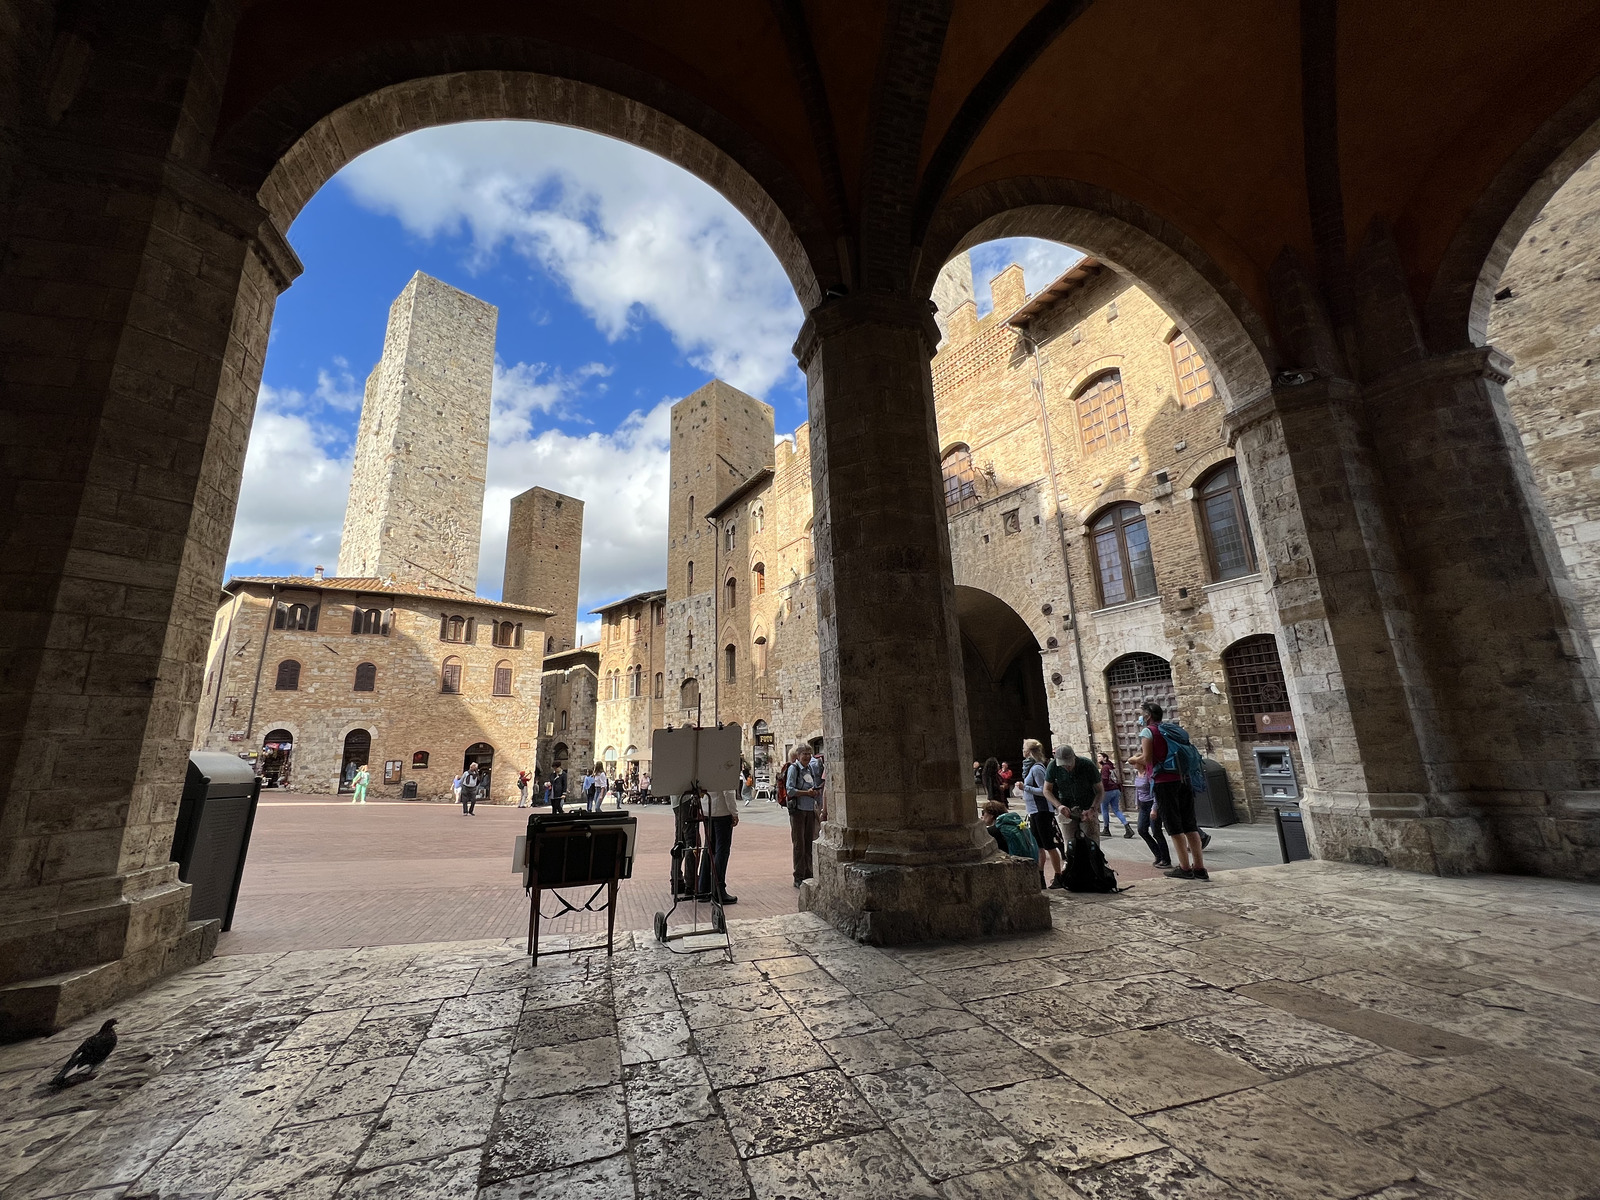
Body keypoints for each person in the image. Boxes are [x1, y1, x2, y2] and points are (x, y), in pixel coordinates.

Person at [1140, 701, 1208, 880]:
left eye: (1142, 714)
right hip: (1184, 780)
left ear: (1148, 716)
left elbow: (1147, 758)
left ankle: (1185, 868)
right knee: (1190, 825)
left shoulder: (1148, 731)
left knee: (1174, 827)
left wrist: (1134, 760)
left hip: (1164, 782)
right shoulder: (1171, 729)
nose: (1140, 717)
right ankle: (1200, 867)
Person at [1020, 739, 1065, 889]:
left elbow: (1044, 790)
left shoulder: (1037, 768)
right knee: (1038, 846)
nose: (1022, 750)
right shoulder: (1030, 767)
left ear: (1030, 751)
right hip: (1034, 811)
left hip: (1042, 811)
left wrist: (1025, 788)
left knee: (1049, 845)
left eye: (1024, 748)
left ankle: (1058, 876)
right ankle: (1040, 877)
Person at [1046, 744, 1102, 847]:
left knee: (1092, 844)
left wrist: (1093, 808)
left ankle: (1096, 862)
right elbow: (1046, 790)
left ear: (1074, 757)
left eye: (1068, 764)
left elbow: (1100, 791)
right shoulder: (1053, 766)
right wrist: (1059, 806)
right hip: (1066, 808)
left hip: (1087, 806)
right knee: (1070, 844)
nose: (1066, 767)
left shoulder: (1087, 765)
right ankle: (1071, 862)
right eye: (1063, 765)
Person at [787, 744, 825, 888]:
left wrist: (814, 792)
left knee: (809, 841)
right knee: (799, 844)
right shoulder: (794, 769)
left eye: (809, 753)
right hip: (798, 810)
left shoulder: (809, 769)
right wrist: (806, 793)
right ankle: (799, 875)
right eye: (804, 754)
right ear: (798, 755)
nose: (808, 756)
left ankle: (809, 872)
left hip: (809, 809)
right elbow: (790, 790)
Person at [696, 783, 740, 904]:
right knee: (722, 851)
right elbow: (728, 790)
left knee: (708, 848)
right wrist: (734, 812)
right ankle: (718, 889)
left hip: (707, 808)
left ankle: (703, 888)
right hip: (722, 810)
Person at [1131, 757, 1171, 868]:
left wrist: (1154, 809)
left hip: (1152, 804)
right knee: (1142, 830)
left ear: (1140, 763)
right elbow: (1137, 790)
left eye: (1134, 762)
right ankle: (1158, 855)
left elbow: (1155, 792)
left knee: (1156, 832)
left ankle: (1166, 859)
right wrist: (1136, 803)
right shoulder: (1136, 774)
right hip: (1143, 806)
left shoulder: (1149, 775)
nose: (1133, 764)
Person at [1098, 753, 1134, 838]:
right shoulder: (1111, 767)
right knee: (1116, 810)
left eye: (1099, 756)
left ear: (1105, 758)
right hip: (1116, 790)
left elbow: (1105, 779)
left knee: (1104, 809)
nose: (1098, 758)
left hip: (1107, 791)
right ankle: (1127, 827)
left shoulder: (1105, 768)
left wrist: (1101, 790)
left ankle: (1106, 829)